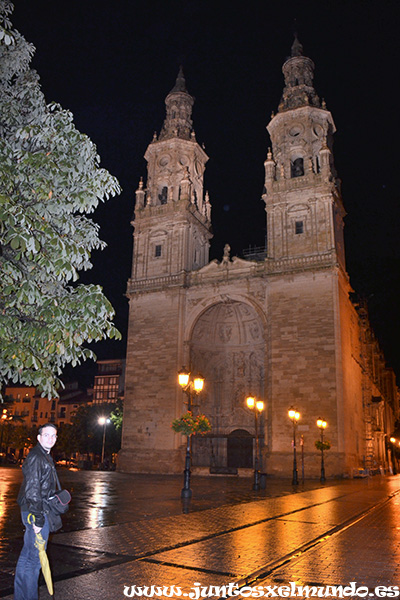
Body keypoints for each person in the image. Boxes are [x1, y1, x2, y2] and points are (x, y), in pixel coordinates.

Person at [14, 423, 58, 600]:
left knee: (28, 556)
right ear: (39, 438)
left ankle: (22, 597)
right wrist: (38, 520)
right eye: (46, 435)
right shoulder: (36, 457)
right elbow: (32, 491)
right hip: (36, 512)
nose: (50, 439)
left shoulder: (43, 455)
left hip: (36, 510)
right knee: (34, 560)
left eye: (54, 436)